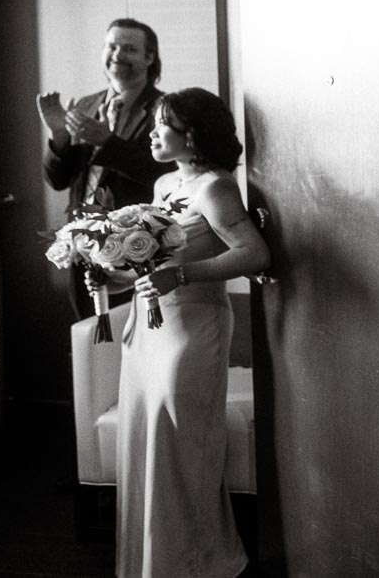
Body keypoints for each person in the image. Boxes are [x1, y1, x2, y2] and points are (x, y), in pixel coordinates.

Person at [93, 87, 269, 578]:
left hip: (192, 328)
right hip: (150, 328)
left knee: (183, 447)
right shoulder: (166, 183)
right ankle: (157, 561)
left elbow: (254, 254)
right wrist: (110, 273)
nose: (152, 132)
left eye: (162, 124)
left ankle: (196, 562)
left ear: (190, 135)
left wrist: (184, 277)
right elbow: (156, 265)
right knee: (150, 444)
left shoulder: (215, 187)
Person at [38, 18, 174, 319]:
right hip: (82, 245)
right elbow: (58, 180)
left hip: (137, 245)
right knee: (90, 335)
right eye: (111, 46)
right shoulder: (87, 105)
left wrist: (108, 142)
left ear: (149, 57)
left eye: (129, 48)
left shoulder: (165, 108)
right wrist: (59, 137)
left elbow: (163, 174)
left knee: (132, 336)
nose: (117, 55)